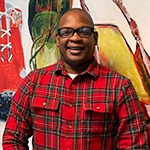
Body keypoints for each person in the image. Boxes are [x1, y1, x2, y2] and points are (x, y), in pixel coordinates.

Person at [3, 8, 148, 149]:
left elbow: (135, 146)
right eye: (67, 32)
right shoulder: (33, 83)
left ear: (95, 38)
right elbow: (12, 139)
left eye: (83, 32)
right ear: (58, 39)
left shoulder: (120, 87)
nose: (75, 38)